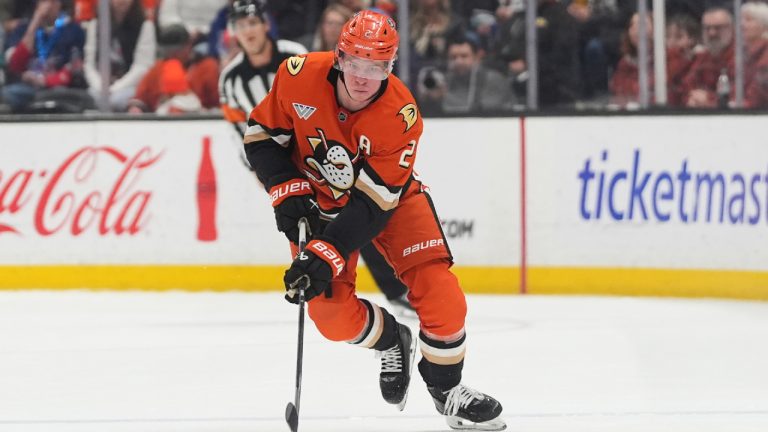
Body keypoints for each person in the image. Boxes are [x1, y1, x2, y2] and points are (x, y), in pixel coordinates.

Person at [243, 10, 505, 430]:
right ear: (339, 57)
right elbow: (260, 137)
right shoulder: (297, 76)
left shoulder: (401, 114)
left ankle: (447, 390)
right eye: (357, 63)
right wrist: (286, 189)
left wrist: (326, 252)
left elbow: (373, 206)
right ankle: (391, 339)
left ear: (390, 66)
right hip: (316, 203)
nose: (365, 76)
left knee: (442, 297)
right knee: (331, 320)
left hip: (390, 201)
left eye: (377, 65)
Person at [220, 1, 415, 316]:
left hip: (329, 152)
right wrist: (271, 176)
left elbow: (324, 95)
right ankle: (327, 302)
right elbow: (240, 130)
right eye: (241, 26)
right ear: (234, 33)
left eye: (253, 23)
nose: (248, 31)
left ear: (266, 25)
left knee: (359, 217)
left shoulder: (294, 55)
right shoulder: (230, 79)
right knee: (308, 225)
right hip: (286, 166)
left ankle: (394, 290)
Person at [417, 33, 515, 114]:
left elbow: (489, 112)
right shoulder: (443, 81)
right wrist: (433, 100)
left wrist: (444, 98)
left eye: (464, 56)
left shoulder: (493, 80)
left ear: (477, 57)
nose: (458, 62)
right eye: (453, 57)